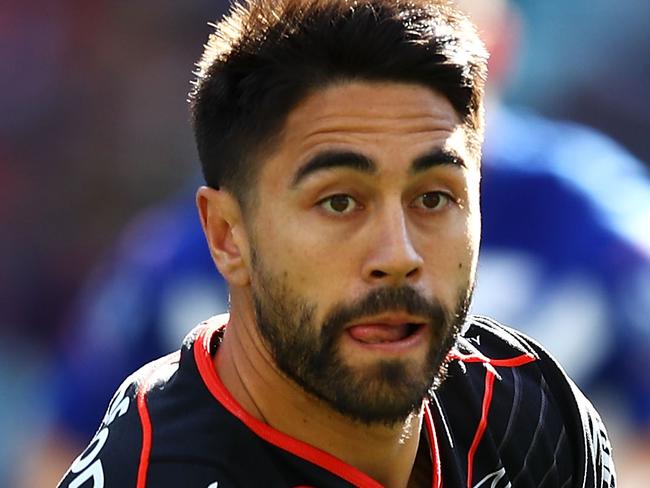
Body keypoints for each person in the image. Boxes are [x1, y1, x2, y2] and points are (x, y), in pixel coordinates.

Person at [56, 1, 616, 487]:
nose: (399, 256)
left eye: (433, 198)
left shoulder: (530, 407)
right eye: (340, 201)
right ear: (227, 235)